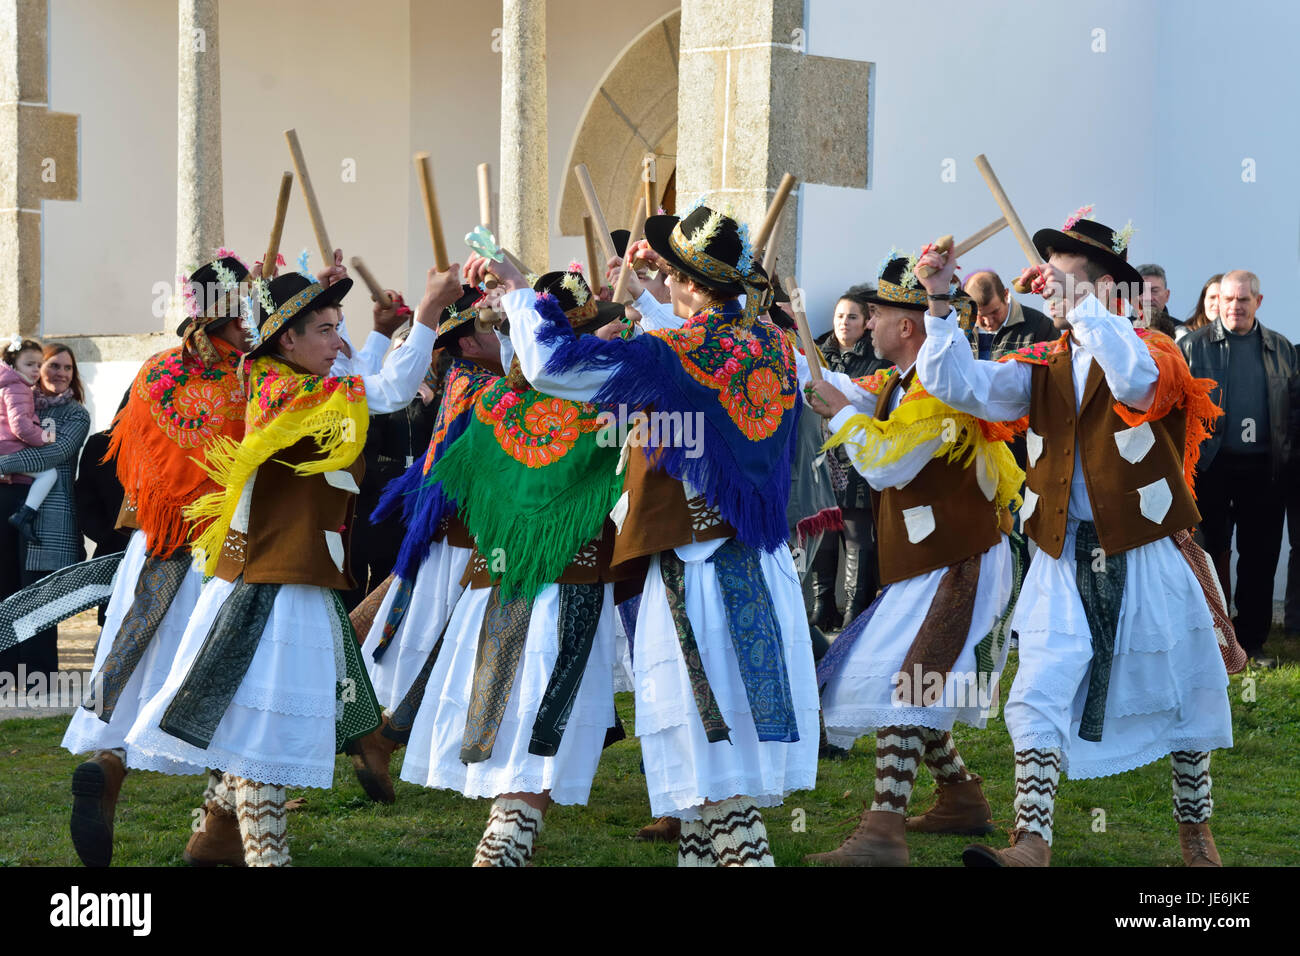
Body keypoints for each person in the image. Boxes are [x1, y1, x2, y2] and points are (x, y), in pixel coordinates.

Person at [471, 202, 818, 866]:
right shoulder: (775, 348)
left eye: (671, 272)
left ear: (688, 283)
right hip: (762, 568)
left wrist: (520, 294)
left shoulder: (674, 354)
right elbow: (697, 360)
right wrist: (652, 312)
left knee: (713, 773)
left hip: (699, 574)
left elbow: (550, 368)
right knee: (712, 775)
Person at [915, 210, 1239, 867]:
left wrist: (1082, 306)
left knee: (1181, 688)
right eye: (1052, 281)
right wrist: (940, 302)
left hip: (1145, 551)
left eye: (1067, 281)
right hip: (1061, 556)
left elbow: (1133, 385)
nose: (1052, 291)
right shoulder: (1040, 364)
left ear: (1109, 295)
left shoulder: (1155, 353)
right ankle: (1031, 841)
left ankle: (1196, 839)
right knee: (1037, 685)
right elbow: (959, 386)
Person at [124, 259, 462, 867]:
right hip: (267, 582)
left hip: (293, 575)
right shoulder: (284, 388)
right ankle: (265, 859)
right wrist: (431, 313)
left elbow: (366, 378)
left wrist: (389, 330)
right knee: (265, 732)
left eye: (339, 327)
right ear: (287, 338)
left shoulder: (296, 380)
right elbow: (384, 391)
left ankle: (212, 841)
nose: (340, 342)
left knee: (261, 724)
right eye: (328, 329)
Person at [399, 267, 632, 865]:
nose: (606, 344)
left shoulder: (489, 402)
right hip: (569, 583)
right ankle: (505, 842)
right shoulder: (604, 408)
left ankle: (508, 834)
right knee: (541, 718)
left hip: (493, 583)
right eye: (589, 337)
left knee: (511, 714)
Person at [799, 252, 1024, 866]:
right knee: (899, 681)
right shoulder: (899, 381)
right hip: (932, 561)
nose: (866, 325)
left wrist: (840, 412)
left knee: (910, 686)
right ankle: (960, 797)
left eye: (876, 316)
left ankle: (881, 836)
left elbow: (885, 462)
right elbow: (839, 386)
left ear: (908, 327)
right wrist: (766, 336)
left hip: (963, 559)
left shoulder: (937, 388)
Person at [61, 252, 253, 867]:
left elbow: (118, 451)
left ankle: (109, 765)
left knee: (136, 661)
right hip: (225, 543)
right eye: (246, 305)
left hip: (154, 541)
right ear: (231, 311)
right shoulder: (249, 377)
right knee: (230, 671)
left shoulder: (155, 373)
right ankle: (220, 828)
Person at [347, 284, 504, 804]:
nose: (501, 333)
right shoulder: (484, 387)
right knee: (454, 652)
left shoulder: (472, 378)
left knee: (445, 650)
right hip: (466, 546)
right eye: (491, 327)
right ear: (469, 343)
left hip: (456, 540)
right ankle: (386, 737)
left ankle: (387, 736)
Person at [1180, 270, 1297, 663]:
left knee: (1260, 556)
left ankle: (1252, 641)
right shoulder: (1193, 347)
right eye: (1228, 299)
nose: (1234, 307)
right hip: (1210, 466)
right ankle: (1214, 640)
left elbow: (1293, 411)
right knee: (1209, 555)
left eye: (1243, 300)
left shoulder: (1282, 349)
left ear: (1258, 302)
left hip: (1264, 468)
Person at [0, 344, 92, 680]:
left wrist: (2, 463)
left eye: (68, 368)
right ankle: (5, 672)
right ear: (38, 367)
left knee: (38, 598)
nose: (61, 374)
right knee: (6, 588)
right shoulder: (18, 401)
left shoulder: (75, 415)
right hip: (8, 503)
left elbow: (51, 455)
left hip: (50, 515)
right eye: (54, 365)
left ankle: (39, 676)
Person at [810, 290, 886, 631]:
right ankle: (822, 604)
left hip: (855, 455)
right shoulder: (818, 354)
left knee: (857, 533)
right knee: (823, 529)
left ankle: (856, 608)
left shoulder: (877, 359)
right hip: (822, 455)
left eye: (852, 317)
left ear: (866, 322)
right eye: (840, 316)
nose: (844, 323)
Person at [0, 339, 59, 544]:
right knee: (49, 473)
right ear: (14, 364)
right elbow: (21, 426)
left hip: (5, 445)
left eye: (38, 364)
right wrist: (44, 438)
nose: (36, 369)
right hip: (10, 446)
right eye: (29, 364)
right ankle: (24, 515)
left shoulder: (11, 384)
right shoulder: (18, 387)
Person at [962, 269, 1056, 361]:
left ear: (1006, 295)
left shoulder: (1041, 326)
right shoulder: (956, 331)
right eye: (980, 315)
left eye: (995, 312)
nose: (988, 322)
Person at [1135, 264, 1180, 337]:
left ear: (1167, 295)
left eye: (1154, 291)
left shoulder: (1182, 332)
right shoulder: (1121, 330)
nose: (1148, 298)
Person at [1176, 273, 1222, 342]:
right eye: (1212, 297)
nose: (1217, 303)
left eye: (1222, 298)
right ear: (1203, 301)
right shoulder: (1184, 334)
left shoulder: (1240, 334)